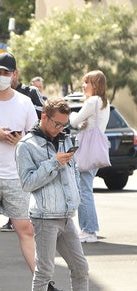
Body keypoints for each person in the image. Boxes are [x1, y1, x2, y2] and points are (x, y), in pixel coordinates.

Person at [0, 52, 66, 291]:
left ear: (14, 75)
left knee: (26, 228)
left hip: (16, 176)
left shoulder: (23, 103)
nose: (0, 76)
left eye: (5, 73)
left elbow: (38, 137)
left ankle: (44, 280)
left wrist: (21, 141)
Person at [16, 97, 114, 291]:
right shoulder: (26, 145)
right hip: (44, 217)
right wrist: (53, 163)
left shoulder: (65, 139)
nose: (61, 128)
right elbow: (27, 183)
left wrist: (75, 203)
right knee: (44, 271)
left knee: (80, 266)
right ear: (44, 118)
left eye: (64, 124)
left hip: (66, 216)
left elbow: (72, 177)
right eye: (57, 124)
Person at [69, 70, 109, 244]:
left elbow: (73, 121)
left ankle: (89, 230)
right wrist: (81, 124)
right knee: (86, 190)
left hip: (87, 150)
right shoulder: (104, 103)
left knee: (84, 191)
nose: (84, 86)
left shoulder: (92, 101)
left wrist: (73, 117)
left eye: (87, 82)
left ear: (96, 84)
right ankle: (88, 229)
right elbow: (83, 123)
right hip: (96, 149)